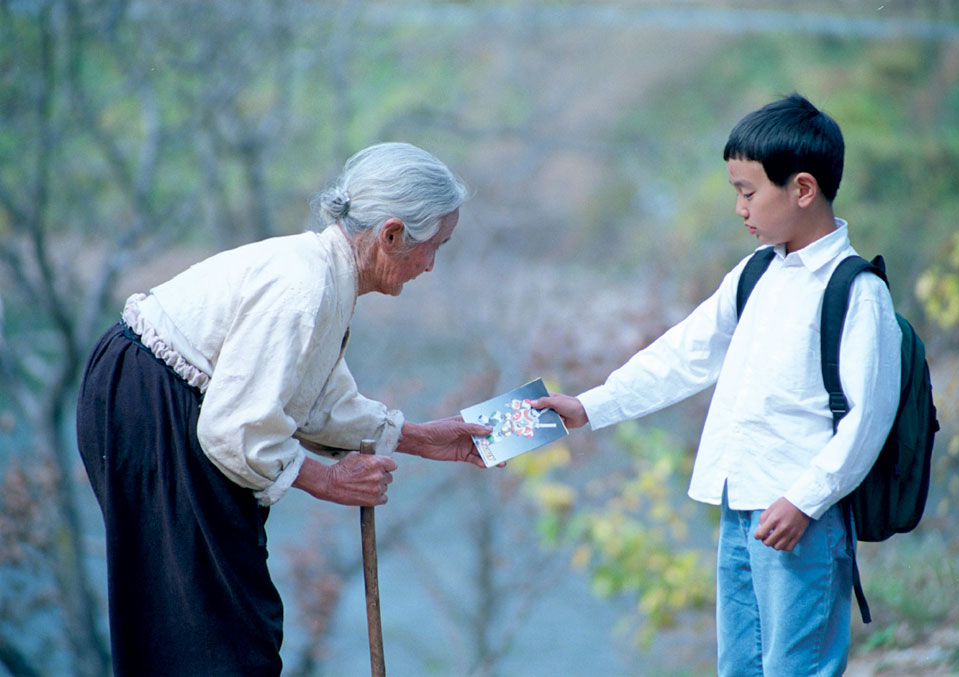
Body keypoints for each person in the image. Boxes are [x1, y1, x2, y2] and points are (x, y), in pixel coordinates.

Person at [76, 142, 492, 676]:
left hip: (155, 399)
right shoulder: (304, 286)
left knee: (216, 623)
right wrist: (328, 481)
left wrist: (419, 437)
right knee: (212, 634)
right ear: (391, 235)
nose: (431, 265)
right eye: (434, 246)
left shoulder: (326, 275)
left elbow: (314, 402)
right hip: (154, 405)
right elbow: (233, 428)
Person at [535, 93, 902, 676]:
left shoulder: (856, 292)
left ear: (802, 189)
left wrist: (804, 502)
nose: (740, 209)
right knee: (740, 667)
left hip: (800, 516)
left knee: (796, 668)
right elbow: (682, 356)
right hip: (740, 505)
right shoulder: (756, 272)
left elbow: (868, 420)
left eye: (748, 192)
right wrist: (588, 406)